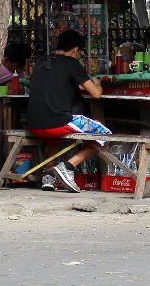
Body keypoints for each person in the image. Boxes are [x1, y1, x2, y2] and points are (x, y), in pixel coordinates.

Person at [25, 29, 109, 193]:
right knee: (102, 135)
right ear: (76, 49)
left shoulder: (42, 62)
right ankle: (68, 166)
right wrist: (97, 83)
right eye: (80, 52)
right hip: (57, 123)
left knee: (53, 142)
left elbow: (58, 83)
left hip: (34, 123)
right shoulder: (72, 64)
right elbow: (96, 94)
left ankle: (48, 177)